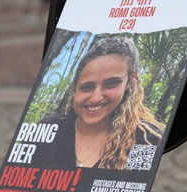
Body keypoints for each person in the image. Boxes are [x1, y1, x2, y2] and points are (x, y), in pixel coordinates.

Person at [36, 36, 165, 170]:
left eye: (111, 84)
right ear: (74, 88)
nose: (96, 98)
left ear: (130, 82)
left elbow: (138, 184)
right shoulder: (50, 128)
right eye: (87, 87)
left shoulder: (145, 140)